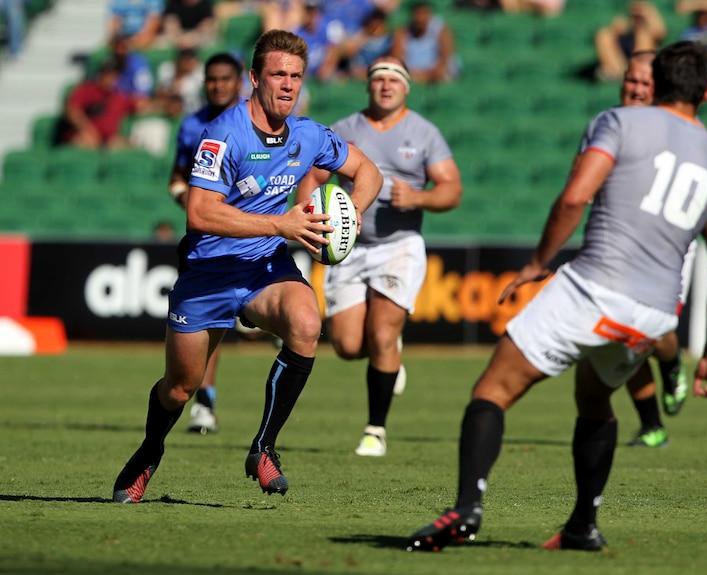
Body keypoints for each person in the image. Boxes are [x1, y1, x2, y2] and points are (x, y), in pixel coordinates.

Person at [405, 40, 707, 552]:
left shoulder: (621, 122)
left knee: (492, 390)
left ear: (658, 83)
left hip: (596, 287)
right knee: (595, 400)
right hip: (651, 315)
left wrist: (540, 262)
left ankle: (466, 509)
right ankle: (583, 526)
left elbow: (576, 196)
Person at [111, 29, 383, 504]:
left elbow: (369, 172)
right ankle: (149, 452)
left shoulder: (308, 134)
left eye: (296, 76)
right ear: (254, 79)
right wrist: (280, 224)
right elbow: (200, 212)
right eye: (278, 74)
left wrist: (351, 214)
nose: (288, 85)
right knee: (180, 388)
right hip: (209, 272)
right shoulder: (223, 134)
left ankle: (263, 446)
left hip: (264, 268)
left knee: (305, 321)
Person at [297, 56, 462, 457]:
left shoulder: (424, 132)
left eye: (394, 79)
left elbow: (452, 189)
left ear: (407, 87)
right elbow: (312, 180)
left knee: (383, 334)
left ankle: (375, 430)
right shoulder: (345, 129)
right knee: (349, 346)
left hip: (399, 246)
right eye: (378, 78)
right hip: (349, 248)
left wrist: (420, 197)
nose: (386, 85)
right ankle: (390, 357)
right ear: (368, 86)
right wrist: (308, 216)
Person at [581, 49, 691, 448]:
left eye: (646, 83)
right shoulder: (603, 124)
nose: (637, 89)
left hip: (668, 247)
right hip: (617, 243)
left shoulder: (679, 128)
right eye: (631, 80)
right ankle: (651, 426)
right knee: (622, 337)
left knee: (652, 332)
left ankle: (672, 361)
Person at [165, 51, 244, 434]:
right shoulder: (191, 126)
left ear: (240, 81)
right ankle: (204, 401)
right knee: (207, 328)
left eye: (225, 78)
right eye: (212, 79)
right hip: (205, 240)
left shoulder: (254, 123)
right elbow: (177, 177)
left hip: (250, 236)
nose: (218, 85)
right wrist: (186, 197)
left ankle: (273, 330)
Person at [58, 57, 142, 149]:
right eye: (107, 74)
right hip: (86, 136)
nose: (111, 79)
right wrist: (88, 129)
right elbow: (72, 111)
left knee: (127, 146)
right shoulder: (87, 90)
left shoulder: (120, 96)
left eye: (114, 75)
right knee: (86, 141)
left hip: (108, 141)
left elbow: (139, 104)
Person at [592, 1, 666, 83]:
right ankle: (617, 72)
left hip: (643, 51)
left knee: (643, 35)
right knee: (603, 35)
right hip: (622, 52)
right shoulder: (624, 14)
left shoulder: (649, 13)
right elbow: (611, 29)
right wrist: (619, 28)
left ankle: (637, 70)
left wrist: (646, 16)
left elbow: (660, 33)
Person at [390, 1, 460, 84]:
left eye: (424, 13)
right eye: (417, 13)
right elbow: (398, 60)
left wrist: (425, 76)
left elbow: (444, 63)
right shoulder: (402, 31)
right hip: (411, 74)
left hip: (435, 75)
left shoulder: (442, 30)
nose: (420, 18)